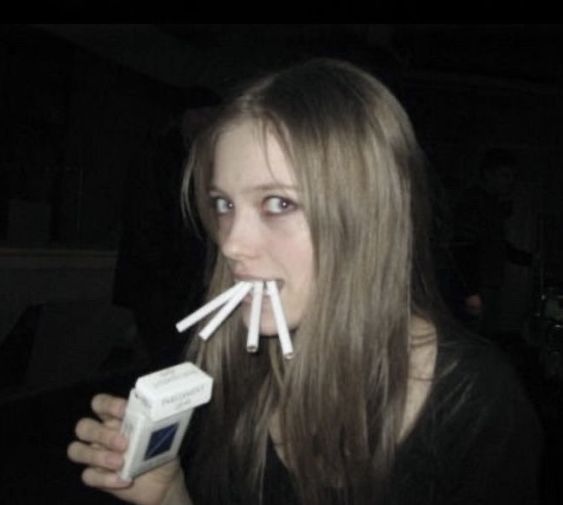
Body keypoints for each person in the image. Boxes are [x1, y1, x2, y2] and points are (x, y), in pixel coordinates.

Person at [68, 58, 542, 505]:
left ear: (368, 216)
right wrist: (172, 495)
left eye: (278, 203)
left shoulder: (478, 406)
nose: (231, 243)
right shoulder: (234, 365)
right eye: (224, 204)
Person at [112, 86, 220, 369]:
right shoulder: (160, 154)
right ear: (189, 116)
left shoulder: (193, 154)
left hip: (178, 280)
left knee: (173, 351)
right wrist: (168, 270)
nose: (209, 123)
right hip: (157, 278)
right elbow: (147, 221)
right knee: (158, 352)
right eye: (205, 115)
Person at [450, 148, 535, 340]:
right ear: (488, 175)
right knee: (474, 339)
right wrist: (472, 291)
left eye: (513, 176)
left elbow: (494, 244)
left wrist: (524, 258)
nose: (510, 182)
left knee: (484, 336)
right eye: (505, 175)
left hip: (488, 284)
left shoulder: (490, 204)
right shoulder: (474, 203)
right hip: (478, 286)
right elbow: (463, 246)